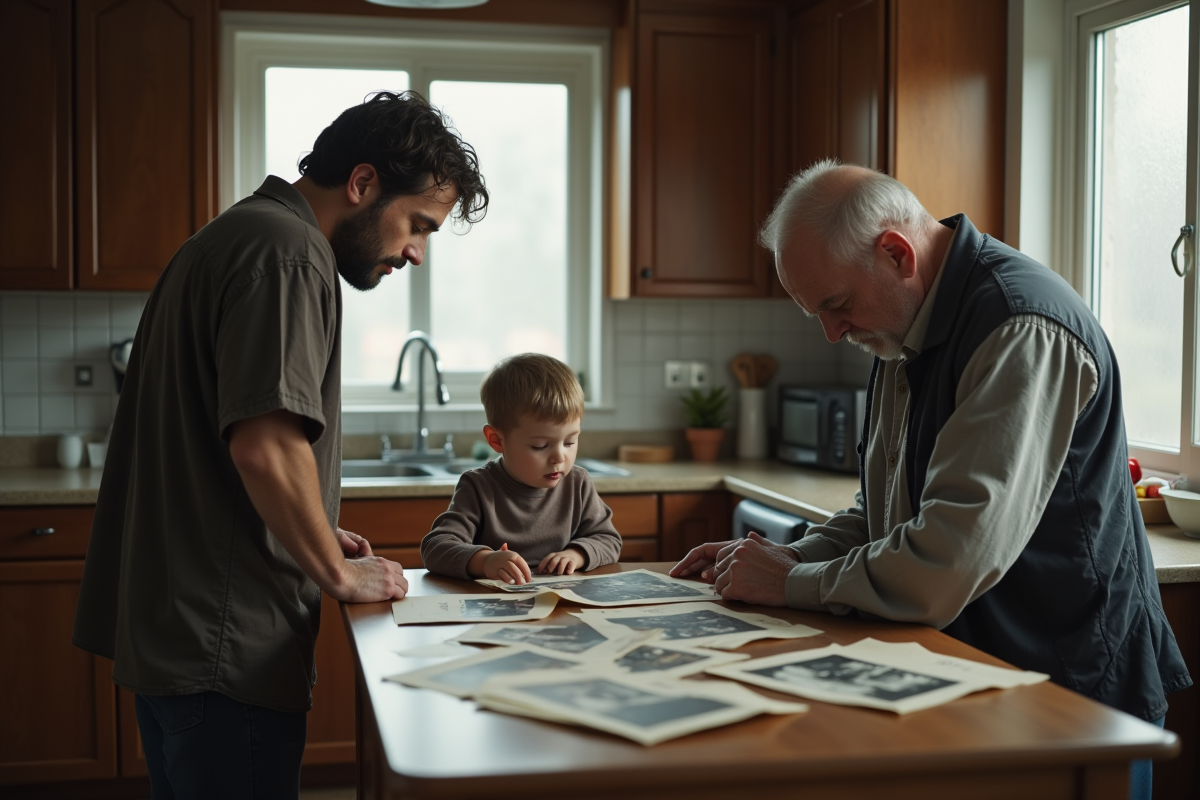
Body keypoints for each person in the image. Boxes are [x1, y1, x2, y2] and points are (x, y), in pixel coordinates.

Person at [671, 160, 1190, 799]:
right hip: (982, 681)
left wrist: (792, 582)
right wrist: (781, 557)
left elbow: (949, 557)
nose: (832, 333)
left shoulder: (1018, 327)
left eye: (836, 305)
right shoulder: (903, 329)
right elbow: (882, 513)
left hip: (1070, 693)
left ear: (896, 253)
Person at [71, 90, 488, 799]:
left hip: (179, 631)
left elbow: (219, 444)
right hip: (226, 644)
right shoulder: (290, 255)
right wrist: (332, 566)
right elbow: (264, 446)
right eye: (418, 225)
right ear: (362, 183)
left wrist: (313, 528)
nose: (416, 253)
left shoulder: (230, 236)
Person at [420, 353, 622, 584]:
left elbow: (608, 539)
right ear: (497, 440)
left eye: (570, 442)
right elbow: (435, 548)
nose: (559, 456)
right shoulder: (478, 487)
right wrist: (485, 561)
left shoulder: (578, 483)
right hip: (497, 607)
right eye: (540, 446)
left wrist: (577, 554)